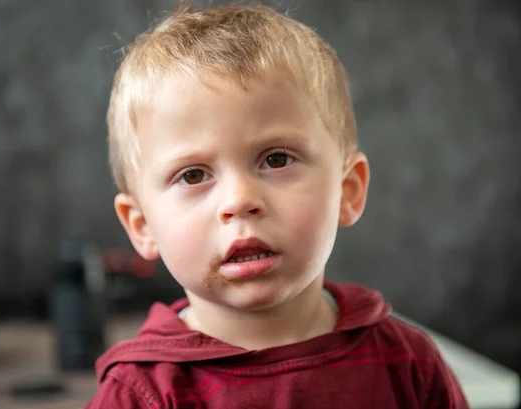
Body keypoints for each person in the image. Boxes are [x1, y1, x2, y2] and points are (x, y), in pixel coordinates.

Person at [86, 2, 469, 408]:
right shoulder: (139, 397)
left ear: (348, 190)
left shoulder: (409, 365)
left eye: (276, 159)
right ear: (143, 225)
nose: (240, 200)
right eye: (194, 175)